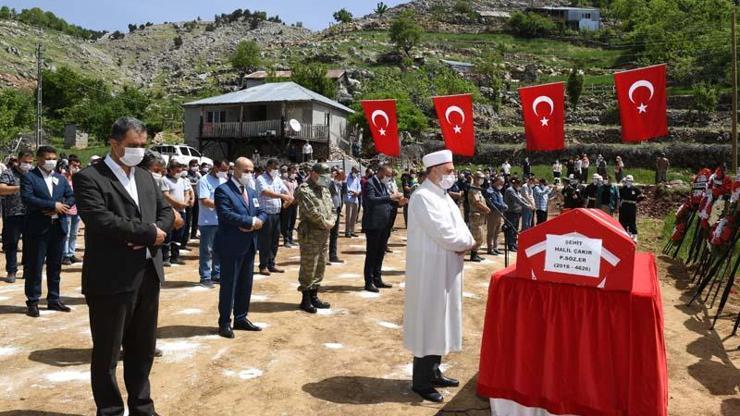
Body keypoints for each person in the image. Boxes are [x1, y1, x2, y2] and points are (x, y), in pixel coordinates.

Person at [74, 117, 173, 415]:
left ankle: (143, 407)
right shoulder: (90, 177)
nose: (139, 151)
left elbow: (166, 211)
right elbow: (100, 219)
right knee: (107, 353)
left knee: (142, 349)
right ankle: (111, 410)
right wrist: (147, 233)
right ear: (114, 143)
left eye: (143, 146)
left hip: (148, 275)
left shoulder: (144, 177)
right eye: (132, 146)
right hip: (111, 280)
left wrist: (156, 234)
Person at [403, 149, 475, 403]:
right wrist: (467, 243)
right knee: (429, 320)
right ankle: (421, 382)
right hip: (429, 270)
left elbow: (460, 225)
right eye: (448, 171)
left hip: (446, 267)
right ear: (433, 170)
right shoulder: (423, 197)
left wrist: (466, 240)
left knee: (441, 320)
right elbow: (444, 232)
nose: (452, 176)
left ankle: (434, 371)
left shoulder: (442, 196)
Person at [213, 157, 267, 339]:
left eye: (251, 171)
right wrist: (250, 221)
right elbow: (225, 214)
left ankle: (241, 317)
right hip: (231, 245)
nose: (249, 174)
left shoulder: (251, 191)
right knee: (229, 284)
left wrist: (258, 221)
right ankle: (224, 323)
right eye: (246, 171)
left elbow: (262, 211)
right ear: (234, 169)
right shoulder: (223, 190)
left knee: (246, 283)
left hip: (249, 244)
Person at [20, 145, 75, 317]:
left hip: (58, 227)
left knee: (55, 265)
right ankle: (33, 301)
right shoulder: (30, 177)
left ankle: (53, 298)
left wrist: (62, 207)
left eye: (53, 158)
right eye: (47, 158)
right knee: (35, 266)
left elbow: (71, 196)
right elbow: (28, 198)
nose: (51, 161)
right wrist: (52, 205)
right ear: (39, 159)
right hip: (37, 228)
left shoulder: (60, 178)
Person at [294, 163, 336, 313]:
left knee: (321, 264)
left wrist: (333, 220)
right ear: (313, 173)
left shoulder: (324, 189)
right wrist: (326, 223)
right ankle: (305, 299)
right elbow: (311, 211)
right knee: (309, 265)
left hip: (324, 233)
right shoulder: (304, 190)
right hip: (310, 233)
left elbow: (332, 207)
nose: (324, 179)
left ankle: (314, 296)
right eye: (321, 176)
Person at [362, 164, 404, 292]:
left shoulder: (383, 184)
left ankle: (377, 278)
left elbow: (386, 200)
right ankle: (368, 281)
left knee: (380, 252)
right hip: (373, 224)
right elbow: (371, 199)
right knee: (372, 253)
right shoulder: (370, 183)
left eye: (390, 175)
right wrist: (390, 197)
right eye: (387, 175)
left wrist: (398, 202)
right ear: (380, 172)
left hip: (384, 223)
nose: (388, 177)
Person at [255, 159, 293, 276]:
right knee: (265, 240)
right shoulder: (261, 179)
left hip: (276, 214)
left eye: (277, 168)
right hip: (266, 214)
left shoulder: (277, 179)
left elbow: (284, 190)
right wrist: (282, 196)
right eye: (273, 168)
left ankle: (271, 263)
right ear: (268, 167)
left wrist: (289, 197)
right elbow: (265, 192)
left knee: (275, 240)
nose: (275, 170)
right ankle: (263, 265)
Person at [0, 150, 32, 283]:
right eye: (25, 162)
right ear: (18, 160)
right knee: (11, 243)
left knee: (30, 244)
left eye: (30, 162)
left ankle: (28, 270)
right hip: (13, 214)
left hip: (30, 214)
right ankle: (11, 270)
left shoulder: (33, 174)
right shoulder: (8, 173)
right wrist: (19, 188)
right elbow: (2, 189)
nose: (28, 165)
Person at [197, 159, 229, 288]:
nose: (224, 173)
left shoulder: (223, 180)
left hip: (221, 221)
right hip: (207, 221)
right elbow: (204, 200)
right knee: (207, 250)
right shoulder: (203, 181)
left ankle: (217, 274)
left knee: (219, 249)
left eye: (226, 170)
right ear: (215, 167)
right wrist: (223, 206)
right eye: (222, 170)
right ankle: (205, 277)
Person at [161, 160, 193, 266]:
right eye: (177, 170)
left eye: (180, 170)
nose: (179, 172)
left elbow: (187, 192)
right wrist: (178, 203)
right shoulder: (164, 180)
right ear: (170, 170)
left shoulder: (182, 180)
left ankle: (175, 257)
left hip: (182, 210)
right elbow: (166, 195)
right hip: (170, 211)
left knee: (179, 235)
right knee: (168, 235)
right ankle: (165, 258)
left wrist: (184, 203)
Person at [467, 172, 490, 262]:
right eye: (481, 178)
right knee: (477, 236)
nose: (482, 180)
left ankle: (475, 253)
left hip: (479, 216)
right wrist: (486, 209)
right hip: (475, 215)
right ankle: (473, 255)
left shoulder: (478, 189)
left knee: (479, 236)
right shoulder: (474, 190)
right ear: (476, 178)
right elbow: (477, 203)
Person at [484, 176, 507, 256]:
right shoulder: (490, 190)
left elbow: (501, 201)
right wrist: (502, 206)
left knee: (497, 231)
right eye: (501, 182)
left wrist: (504, 205)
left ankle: (495, 247)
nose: (502, 184)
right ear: (496, 181)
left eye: (503, 183)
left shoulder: (498, 191)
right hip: (493, 213)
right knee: (491, 231)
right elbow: (492, 202)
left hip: (499, 213)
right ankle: (490, 249)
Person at [618, 175, 645, 241]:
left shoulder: (635, 189)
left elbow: (642, 196)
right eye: (627, 181)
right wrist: (619, 205)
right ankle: (623, 233)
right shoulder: (622, 189)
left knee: (632, 220)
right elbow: (619, 198)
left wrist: (636, 201)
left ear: (632, 181)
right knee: (623, 220)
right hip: (624, 206)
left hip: (632, 206)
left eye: (630, 181)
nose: (628, 182)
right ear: (625, 181)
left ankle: (634, 234)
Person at [503, 178, 527, 251]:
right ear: (515, 184)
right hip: (510, 212)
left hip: (516, 212)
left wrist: (528, 203)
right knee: (510, 229)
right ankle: (510, 245)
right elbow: (517, 199)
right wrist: (527, 205)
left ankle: (514, 243)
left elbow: (521, 197)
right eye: (518, 184)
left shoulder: (517, 190)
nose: (519, 185)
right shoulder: (510, 190)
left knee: (515, 229)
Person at [328, 169, 345, 263]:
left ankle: (333, 255)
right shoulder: (330, 184)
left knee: (334, 234)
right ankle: (324, 256)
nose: (344, 176)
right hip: (330, 212)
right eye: (343, 174)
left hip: (337, 210)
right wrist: (331, 177)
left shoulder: (339, 184)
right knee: (327, 234)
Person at [280, 167, 299, 247]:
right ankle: (286, 240)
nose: (294, 173)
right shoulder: (284, 182)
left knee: (292, 222)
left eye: (295, 171)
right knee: (286, 222)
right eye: (292, 171)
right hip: (287, 203)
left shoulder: (295, 181)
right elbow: (282, 192)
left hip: (294, 203)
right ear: (288, 172)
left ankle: (291, 239)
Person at [185, 159, 201, 241]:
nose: (195, 167)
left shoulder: (198, 175)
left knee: (196, 216)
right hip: (190, 198)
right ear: (190, 166)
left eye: (196, 165)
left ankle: (193, 234)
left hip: (197, 197)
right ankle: (186, 235)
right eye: (193, 165)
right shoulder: (186, 175)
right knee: (188, 217)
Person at [344, 166, 361, 238]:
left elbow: (359, 186)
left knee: (354, 216)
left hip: (355, 199)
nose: (357, 173)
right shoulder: (347, 177)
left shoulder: (357, 178)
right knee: (349, 216)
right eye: (356, 171)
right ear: (352, 170)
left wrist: (358, 192)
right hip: (349, 198)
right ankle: (347, 232)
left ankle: (352, 231)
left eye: (357, 172)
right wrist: (352, 191)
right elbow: (345, 186)